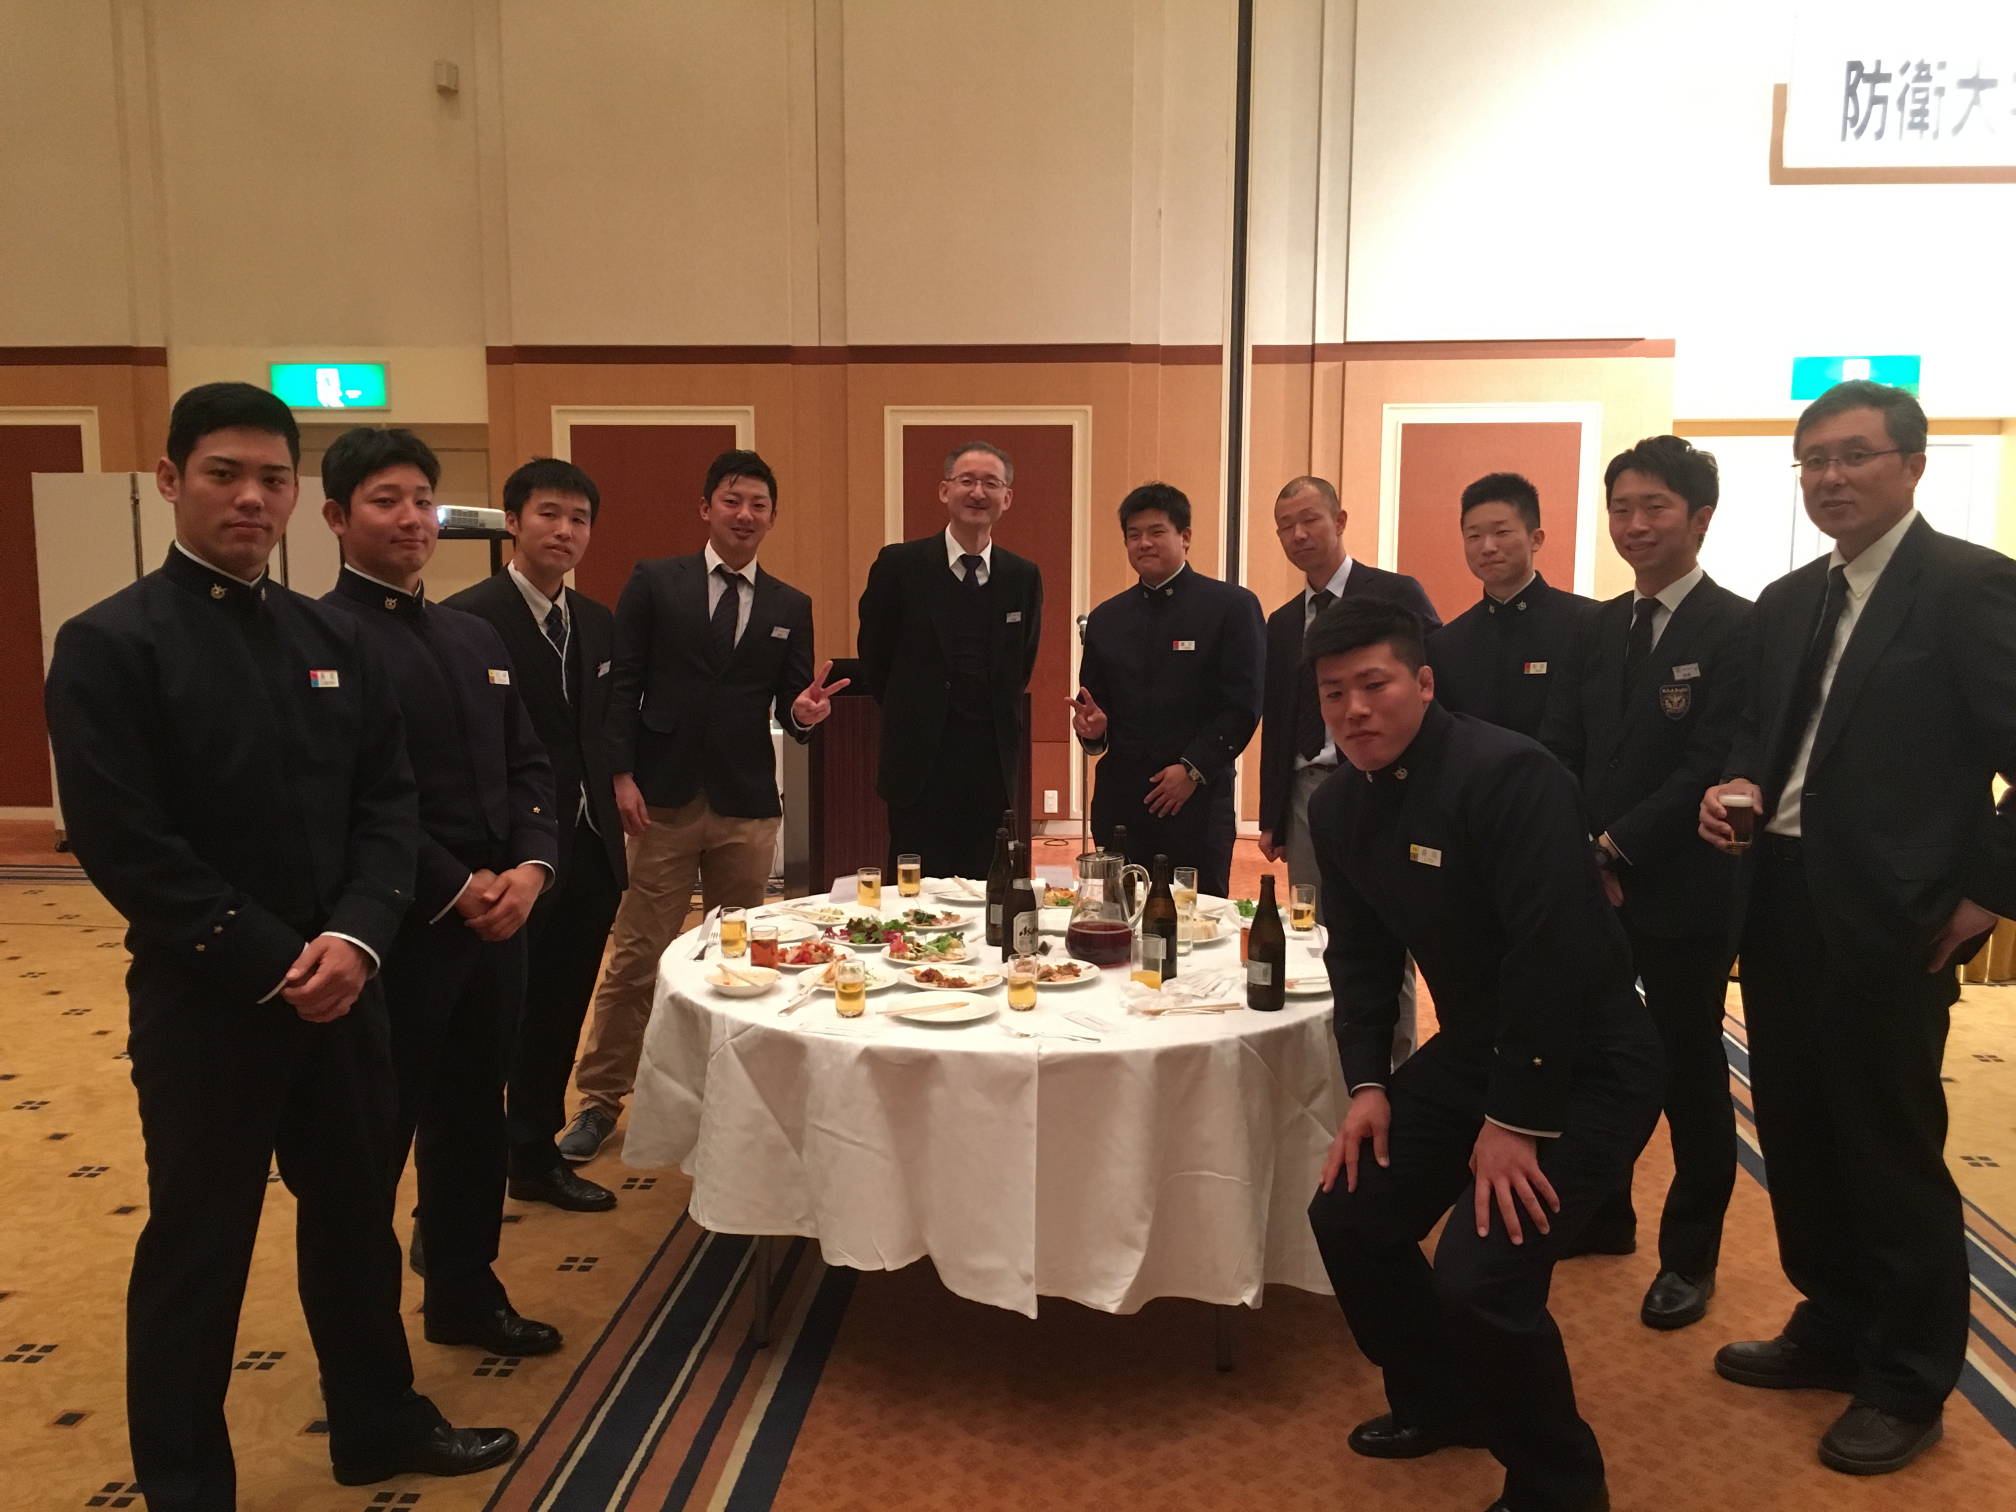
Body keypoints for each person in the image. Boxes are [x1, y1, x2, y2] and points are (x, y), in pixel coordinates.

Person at [43, 383, 515, 1510]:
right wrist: (273, 960)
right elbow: (125, 842)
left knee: (355, 1221)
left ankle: (377, 1423)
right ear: (171, 480)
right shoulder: (111, 643)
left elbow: (387, 804)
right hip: (211, 1000)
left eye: (270, 478)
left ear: (296, 495)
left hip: (350, 989)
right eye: (224, 474)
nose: (250, 498)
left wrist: (353, 938)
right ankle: (187, 1483)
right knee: (197, 1248)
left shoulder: (328, 636)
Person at [1699, 380, 2016, 1476]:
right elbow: (1760, 734)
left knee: (1888, 1144)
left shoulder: (1970, 587)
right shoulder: (1789, 599)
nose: (1830, 478)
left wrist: (1990, 894)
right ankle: (1832, 1321)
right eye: (1813, 460)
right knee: (1797, 1127)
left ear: (1912, 466)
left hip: (1896, 915)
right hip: (1779, 897)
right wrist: (1734, 785)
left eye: (1853, 456)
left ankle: (1909, 1376)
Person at [1304, 595, 1660, 1512]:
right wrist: (1370, 1084)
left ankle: (1559, 1488)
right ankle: (1443, 1401)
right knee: (1349, 1215)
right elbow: (1361, 959)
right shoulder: (1339, 806)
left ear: (1424, 683)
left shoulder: (1510, 775)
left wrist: (1514, 1121)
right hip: (1475, 1048)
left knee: (1480, 1282)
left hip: (1587, 1060)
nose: (1355, 711)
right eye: (1335, 693)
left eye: (1375, 685)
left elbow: (1553, 955)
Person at [318, 425, 564, 1359]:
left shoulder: (472, 634)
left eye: (423, 501)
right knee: (375, 1142)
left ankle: (465, 1295)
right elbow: (350, 800)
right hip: (398, 927)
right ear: (337, 516)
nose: (411, 519)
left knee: (471, 1121)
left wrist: (533, 868)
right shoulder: (320, 637)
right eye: (386, 501)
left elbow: (528, 763)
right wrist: (456, 884)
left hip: (499, 923)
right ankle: (366, 1356)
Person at [563, 449, 843, 1163]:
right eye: (732, 500)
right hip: (660, 799)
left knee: (743, 959)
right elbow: (623, 683)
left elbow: (791, 705)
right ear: (706, 508)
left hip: (746, 802)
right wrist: (619, 774)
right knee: (637, 955)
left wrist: (805, 713)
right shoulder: (657, 582)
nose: (745, 514)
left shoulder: (789, 604)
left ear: (772, 517)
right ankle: (600, 1097)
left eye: (758, 504)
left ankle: (733, 1092)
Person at [1540, 437, 1749, 1324]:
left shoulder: (1739, 628)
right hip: (1595, 885)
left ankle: (1690, 1259)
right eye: (1621, 507)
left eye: (1654, 506)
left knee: (1686, 1069)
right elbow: (1562, 747)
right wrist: (1575, 850)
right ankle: (1605, 1213)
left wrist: (1613, 848)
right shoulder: (1598, 627)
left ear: (1700, 517)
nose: (1634, 524)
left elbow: (1712, 762)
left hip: (1684, 888)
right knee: (1599, 1056)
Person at [444, 458, 626, 1213]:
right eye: (549, 514)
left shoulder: (598, 621)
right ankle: (456, 1191)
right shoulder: (465, 620)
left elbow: (599, 731)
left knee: (557, 1012)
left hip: (588, 851)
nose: (565, 531)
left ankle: (533, 1156)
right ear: (513, 522)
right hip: (508, 860)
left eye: (579, 519)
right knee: (490, 1026)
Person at [858, 439, 1043, 875]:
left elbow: (1021, 664)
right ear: (945, 491)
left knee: (989, 887)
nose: (978, 492)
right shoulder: (899, 565)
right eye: (967, 481)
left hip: (990, 764)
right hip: (918, 763)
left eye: (991, 483)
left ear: (1007, 498)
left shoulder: (1022, 576)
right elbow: (875, 657)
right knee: (913, 889)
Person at [1070, 482, 1265, 897]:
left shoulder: (1231, 607)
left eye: (1156, 531)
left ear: (1185, 536)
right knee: (1116, 913)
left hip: (1197, 801)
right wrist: (1093, 731)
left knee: (1198, 917)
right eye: (1134, 534)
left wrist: (1192, 769)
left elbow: (1243, 705)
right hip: (1121, 802)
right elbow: (1095, 709)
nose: (1144, 543)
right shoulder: (1106, 618)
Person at [1259, 474, 1441, 896]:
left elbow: (1437, 683)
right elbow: (1278, 720)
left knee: (1388, 906)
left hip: (1383, 781)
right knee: (1311, 914)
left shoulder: (1395, 593)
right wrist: (1272, 816)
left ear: (1339, 521)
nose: (1298, 534)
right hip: (1305, 791)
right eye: (1286, 526)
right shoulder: (1283, 621)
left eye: (1310, 520)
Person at [1427, 472, 1594, 739]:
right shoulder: (1446, 644)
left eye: (1502, 532)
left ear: (1536, 539)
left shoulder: (1587, 623)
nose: (1487, 547)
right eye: (1474, 536)